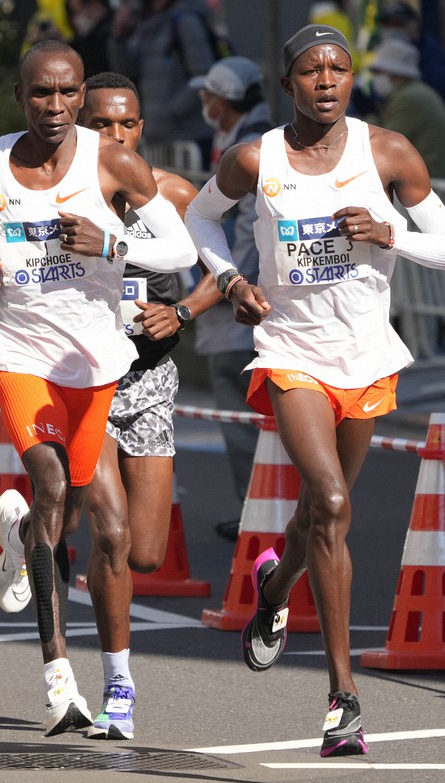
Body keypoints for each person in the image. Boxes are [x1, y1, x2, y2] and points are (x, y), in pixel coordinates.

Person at [184, 24, 445, 758]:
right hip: (290, 352)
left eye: (338, 68)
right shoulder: (256, 158)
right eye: (312, 70)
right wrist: (231, 280)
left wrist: (389, 233)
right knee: (334, 505)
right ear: (288, 84)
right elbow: (199, 218)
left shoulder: (387, 152)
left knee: (319, 511)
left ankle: (272, 591)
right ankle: (342, 700)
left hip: (365, 354)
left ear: (351, 77)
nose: (327, 81)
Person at [0, 40, 197, 737]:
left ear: (80, 94)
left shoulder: (112, 161)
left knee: (84, 517)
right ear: (20, 95)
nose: (54, 108)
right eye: (40, 94)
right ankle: (61, 681)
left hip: (96, 362)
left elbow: (179, 251)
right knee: (57, 489)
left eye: (66, 94)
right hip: (19, 353)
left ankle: (22, 536)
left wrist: (111, 245)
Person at [74, 70, 217, 739]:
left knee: (147, 555)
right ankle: (118, 687)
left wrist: (180, 311)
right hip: (86, 381)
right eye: (102, 124)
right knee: (110, 534)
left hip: (152, 383)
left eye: (127, 123)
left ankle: (31, 530)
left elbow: (226, 267)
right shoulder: (67, 195)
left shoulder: (173, 194)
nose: (116, 135)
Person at [190, 56, 273, 541]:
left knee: (240, 410)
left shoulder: (250, 149)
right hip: (247, 293)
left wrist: (226, 282)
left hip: (241, 300)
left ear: (222, 99)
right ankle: (264, 509)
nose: (203, 103)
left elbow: (246, 230)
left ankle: (258, 513)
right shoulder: (259, 137)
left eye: (207, 95)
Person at [108, 0, 229, 166]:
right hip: (160, 138)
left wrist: (172, 113)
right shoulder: (147, 23)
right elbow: (127, 71)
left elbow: (204, 75)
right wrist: (119, 37)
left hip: (190, 137)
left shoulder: (186, 20)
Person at [368, 38, 445, 179]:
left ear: (398, 73)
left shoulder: (409, 99)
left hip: (421, 185)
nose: (375, 78)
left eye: (379, 72)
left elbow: (380, 145)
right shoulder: (412, 93)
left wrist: (367, 116)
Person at [376, 1, 445, 140]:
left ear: (415, 27)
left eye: (398, 25)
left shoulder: (431, 62)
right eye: (387, 25)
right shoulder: (388, 50)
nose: (392, 30)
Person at [67, 0, 114, 77]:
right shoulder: (89, 37)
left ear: (95, 6)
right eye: (73, 14)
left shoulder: (109, 33)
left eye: (79, 12)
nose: (78, 19)